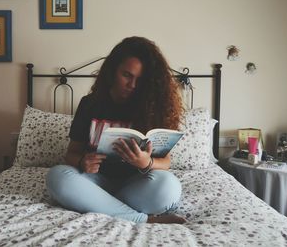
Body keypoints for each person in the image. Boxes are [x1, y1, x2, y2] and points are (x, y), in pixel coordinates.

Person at [47, 36, 186, 224]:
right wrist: (81, 162)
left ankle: (100, 204)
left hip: (134, 186)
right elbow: (71, 153)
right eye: (127, 75)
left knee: (169, 186)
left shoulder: (153, 108)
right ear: (113, 71)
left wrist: (146, 162)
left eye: (140, 80)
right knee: (57, 176)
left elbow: (166, 162)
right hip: (94, 181)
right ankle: (140, 218)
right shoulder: (90, 104)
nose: (133, 85)